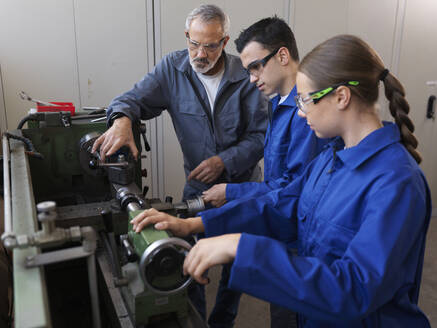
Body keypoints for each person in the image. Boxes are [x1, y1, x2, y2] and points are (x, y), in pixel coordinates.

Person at [130, 34, 432, 327]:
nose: (300, 114)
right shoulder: (331, 158)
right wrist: (196, 224)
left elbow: (354, 290)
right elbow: (281, 205)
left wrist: (243, 248)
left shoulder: (396, 183)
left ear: (342, 96)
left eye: (305, 101)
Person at [91, 4, 268, 327]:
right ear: (186, 36)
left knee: (237, 266)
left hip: (241, 188)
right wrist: (120, 121)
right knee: (187, 261)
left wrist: (223, 161)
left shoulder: (245, 76)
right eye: (193, 43)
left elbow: (261, 136)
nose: (200, 53)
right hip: (198, 188)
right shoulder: (172, 69)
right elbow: (131, 99)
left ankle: (222, 320)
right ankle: (197, 317)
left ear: (224, 42)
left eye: (210, 45)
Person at [202, 17, 327, 328]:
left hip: (298, 243)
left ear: (282, 56)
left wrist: (230, 193)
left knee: (289, 317)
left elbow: (290, 190)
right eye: (248, 71)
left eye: (256, 67)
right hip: (281, 234)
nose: (252, 79)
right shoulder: (278, 102)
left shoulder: (305, 114)